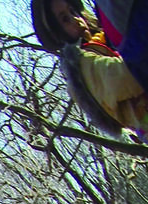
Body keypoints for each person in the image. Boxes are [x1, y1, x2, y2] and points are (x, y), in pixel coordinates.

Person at [34, 0, 148, 133]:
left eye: (72, 11)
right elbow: (130, 76)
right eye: (65, 19)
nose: (76, 20)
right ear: (56, 35)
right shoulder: (84, 67)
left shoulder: (104, 41)